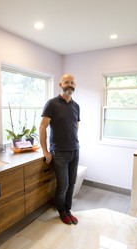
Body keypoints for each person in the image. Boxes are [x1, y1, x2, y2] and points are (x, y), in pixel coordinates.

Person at [39, 73, 80, 225]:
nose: (70, 85)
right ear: (60, 85)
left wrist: (73, 141)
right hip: (59, 153)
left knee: (72, 184)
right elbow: (43, 127)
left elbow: (75, 126)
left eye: (72, 82)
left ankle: (68, 210)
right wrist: (45, 151)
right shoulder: (52, 104)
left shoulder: (76, 106)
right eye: (67, 82)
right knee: (63, 185)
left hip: (75, 150)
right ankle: (62, 211)